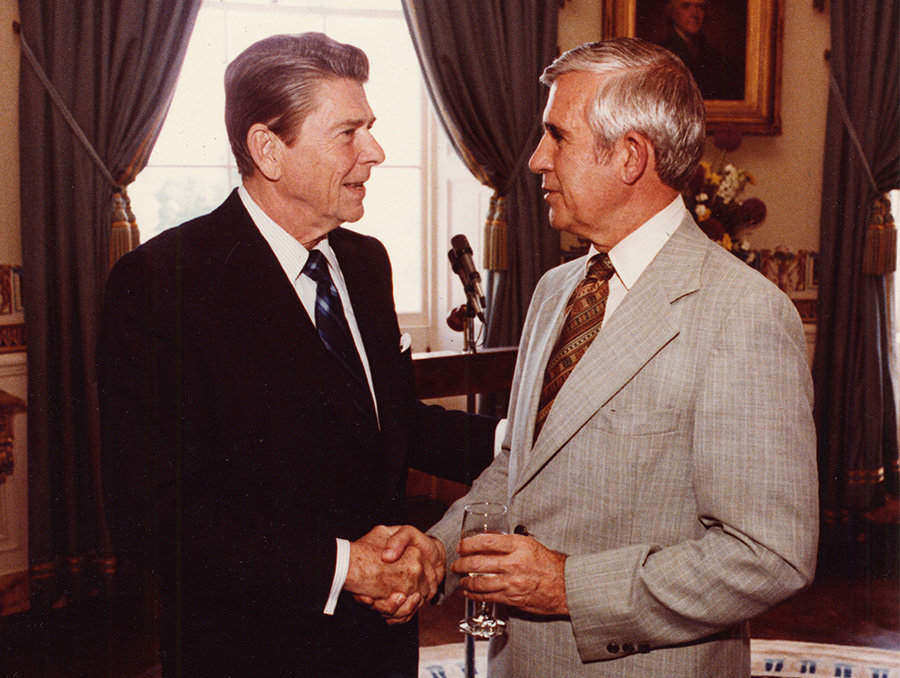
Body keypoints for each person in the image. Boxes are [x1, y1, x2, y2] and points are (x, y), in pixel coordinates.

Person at [392, 38, 817, 677]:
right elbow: (517, 468)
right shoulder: (554, 290)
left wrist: (571, 587)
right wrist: (436, 551)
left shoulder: (742, 313)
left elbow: (769, 555)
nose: (536, 159)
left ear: (629, 156)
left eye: (556, 136)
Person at [97, 32, 495, 678]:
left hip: (382, 646)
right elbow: (157, 517)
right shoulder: (162, 286)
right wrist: (344, 566)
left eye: (371, 128)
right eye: (348, 134)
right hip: (251, 654)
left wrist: (522, 437)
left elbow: (396, 426)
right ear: (267, 150)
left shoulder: (366, 265)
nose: (376, 152)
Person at [659, 0, 743, 100]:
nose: (695, 13)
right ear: (671, 12)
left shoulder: (714, 56)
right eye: (686, 6)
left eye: (700, 7)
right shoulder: (661, 53)